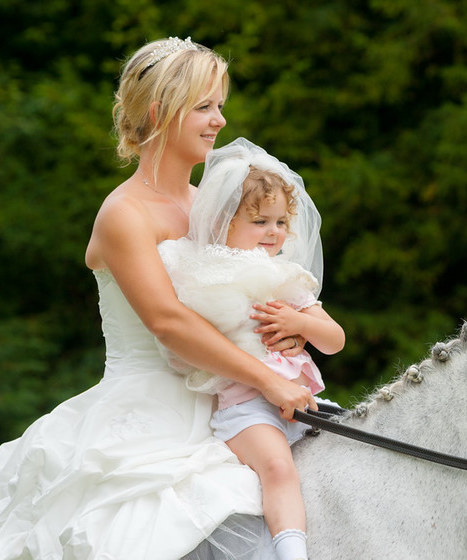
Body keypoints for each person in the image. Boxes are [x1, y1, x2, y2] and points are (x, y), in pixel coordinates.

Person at [0, 37, 316, 560]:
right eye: (205, 107)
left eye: (220, 107)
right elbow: (167, 321)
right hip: (151, 410)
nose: (219, 121)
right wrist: (269, 380)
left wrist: (289, 324)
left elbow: (251, 281)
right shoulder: (125, 214)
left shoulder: (215, 205)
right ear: (162, 112)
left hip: (228, 401)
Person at [157, 138, 345, 560]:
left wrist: (301, 324)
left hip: (304, 404)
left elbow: (335, 341)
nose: (274, 232)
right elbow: (190, 340)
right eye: (260, 221)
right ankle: (291, 553)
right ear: (225, 223)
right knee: (278, 469)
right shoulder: (207, 276)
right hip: (248, 410)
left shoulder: (286, 277)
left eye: (281, 223)